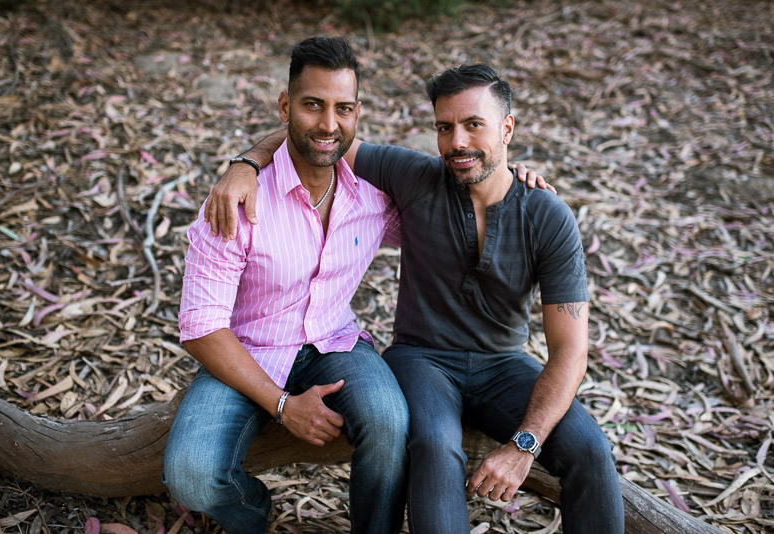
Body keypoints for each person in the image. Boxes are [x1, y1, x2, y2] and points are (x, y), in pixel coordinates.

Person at [208, 64, 624, 533]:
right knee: (433, 442)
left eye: (473, 125)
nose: (458, 142)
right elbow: (319, 135)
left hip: (503, 364)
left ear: (507, 129)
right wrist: (244, 166)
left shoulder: (548, 217)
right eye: (444, 128)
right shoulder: (414, 176)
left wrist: (523, 445)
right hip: (422, 360)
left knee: (590, 448)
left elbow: (570, 352)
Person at [162, 36, 411, 534]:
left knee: (390, 421)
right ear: (285, 106)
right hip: (245, 350)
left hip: (334, 341)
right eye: (312, 105)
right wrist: (282, 406)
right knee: (189, 476)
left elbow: (454, 207)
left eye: (343, 108)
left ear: (358, 113)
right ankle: (254, 516)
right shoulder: (236, 202)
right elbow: (201, 327)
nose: (328, 124)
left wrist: (516, 179)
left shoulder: (375, 193)